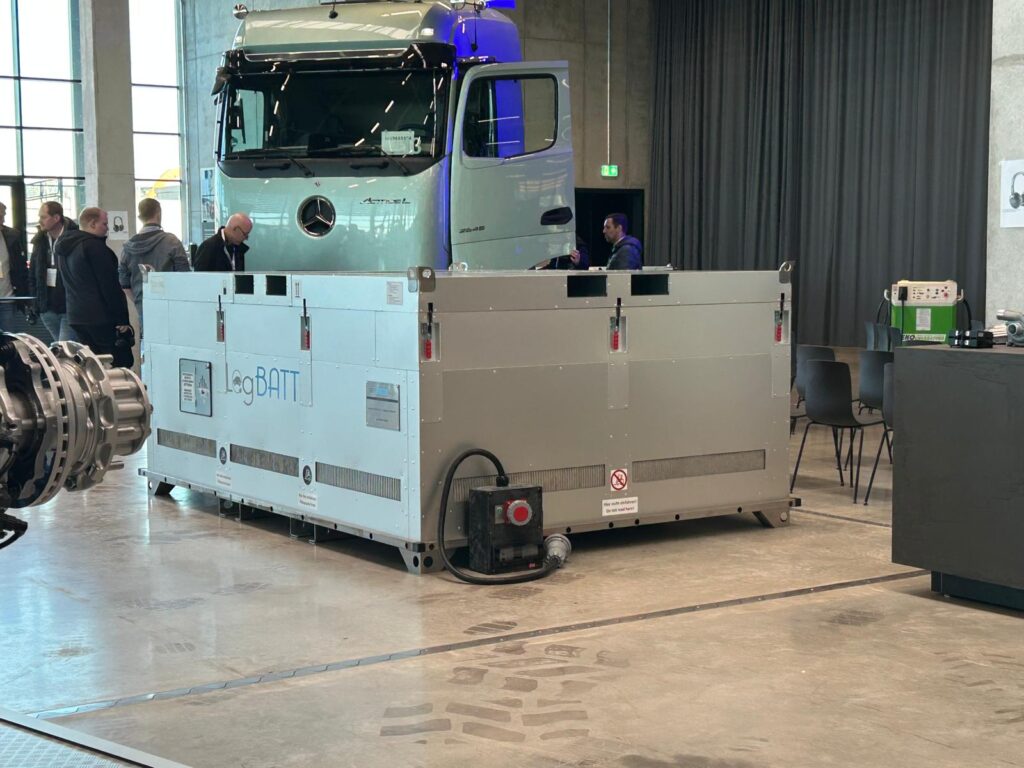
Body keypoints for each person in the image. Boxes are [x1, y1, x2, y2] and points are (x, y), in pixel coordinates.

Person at [55, 207, 131, 363]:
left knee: (91, 364)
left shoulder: (64, 248)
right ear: (92, 224)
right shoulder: (96, 248)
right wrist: (122, 319)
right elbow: (110, 287)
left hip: (76, 316)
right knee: (115, 363)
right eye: (104, 224)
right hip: (101, 317)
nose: (108, 228)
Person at [120, 198, 190, 334]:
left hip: (143, 306)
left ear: (140, 216)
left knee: (149, 343)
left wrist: (139, 300)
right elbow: (185, 276)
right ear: (158, 214)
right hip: (171, 306)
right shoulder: (171, 241)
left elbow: (124, 283)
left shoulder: (127, 248)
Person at [29, 201, 79, 341]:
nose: (40, 221)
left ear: (56, 218)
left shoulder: (75, 238)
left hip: (69, 307)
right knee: (60, 351)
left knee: (64, 351)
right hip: (47, 307)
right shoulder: (40, 240)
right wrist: (36, 303)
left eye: (43, 217)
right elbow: (33, 273)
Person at [0, 202, 29, 331]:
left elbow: (20, 268)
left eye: (3, 215)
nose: (3, 220)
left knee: (8, 342)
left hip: (7, 299)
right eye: (0, 216)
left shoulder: (12, 236)